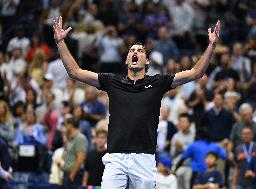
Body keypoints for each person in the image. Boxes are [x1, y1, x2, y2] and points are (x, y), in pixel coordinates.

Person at [53, 16, 220, 189]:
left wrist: (211, 46)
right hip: (115, 157)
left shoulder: (158, 82)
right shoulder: (112, 81)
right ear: (126, 60)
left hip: (144, 158)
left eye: (140, 51)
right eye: (132, 51)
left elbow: (196, 72)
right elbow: (75, 72)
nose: (135, 52)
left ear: (147, 61)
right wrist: (60, 42)